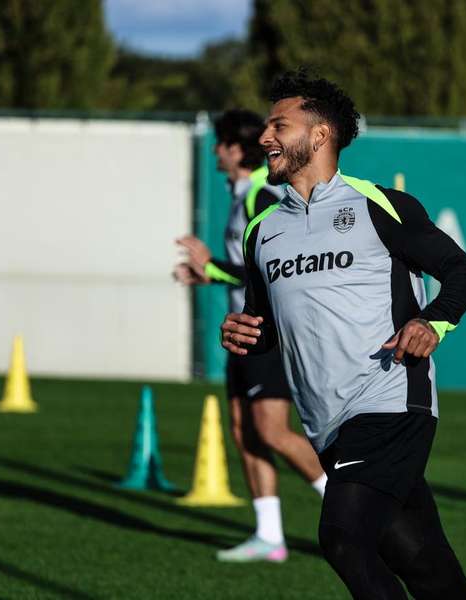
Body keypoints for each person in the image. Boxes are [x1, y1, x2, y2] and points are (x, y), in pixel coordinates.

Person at [221, 71, 466, 599]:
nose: (265, 137)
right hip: (326, 425)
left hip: (390, 406)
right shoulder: (262, 231)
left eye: (280, 125)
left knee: (342, 538)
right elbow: (268, 328)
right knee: (430, 574)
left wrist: (430, 322)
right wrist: (246, 334)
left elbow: (464, 273)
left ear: (320, 135)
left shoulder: (379, 206)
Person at [173, 109, 327, 563]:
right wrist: (208, 276)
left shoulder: (263, 194)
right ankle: (269, 537)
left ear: (235, 150)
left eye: (220, 144)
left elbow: (272, 266)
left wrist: (212, 267)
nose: (216, 151)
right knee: (245, 432)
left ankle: (356, 511)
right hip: (242, 330)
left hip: (269, 332)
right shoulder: (241, 193)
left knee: (273, 431)